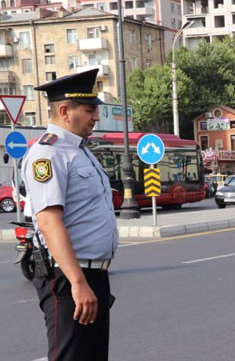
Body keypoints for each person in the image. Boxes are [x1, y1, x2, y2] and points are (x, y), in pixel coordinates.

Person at [22, 68, 118, 361]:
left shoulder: (78, 150)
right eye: (90, 110)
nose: (96, 117)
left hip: (93, 273)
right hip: (67, 275)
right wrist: (77, 282)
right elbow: (49, 222)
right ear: (64, 110)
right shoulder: (47, 154)